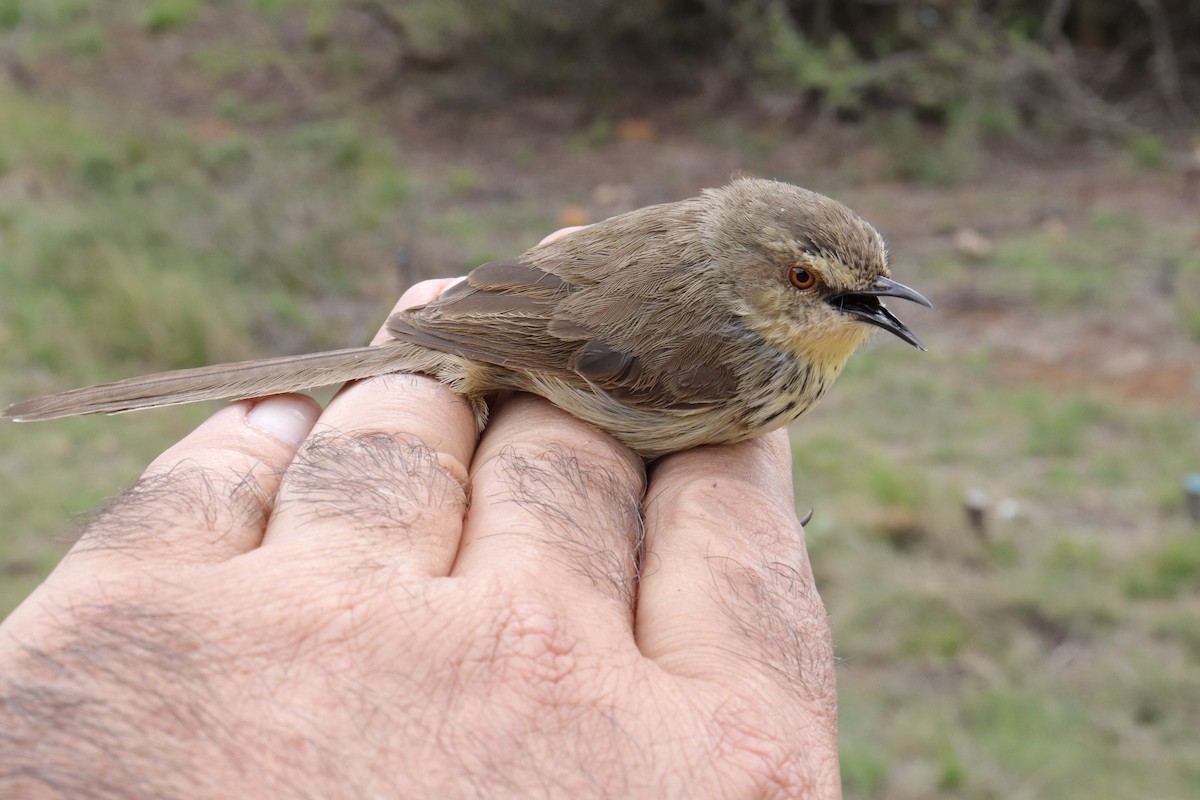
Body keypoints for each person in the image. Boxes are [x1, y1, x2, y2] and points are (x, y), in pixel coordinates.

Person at [0, 268, 841, 797]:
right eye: (811, 282)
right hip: (508, 346)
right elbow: (545, 331)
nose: (847, 305)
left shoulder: (770, 340)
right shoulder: (729, 361)